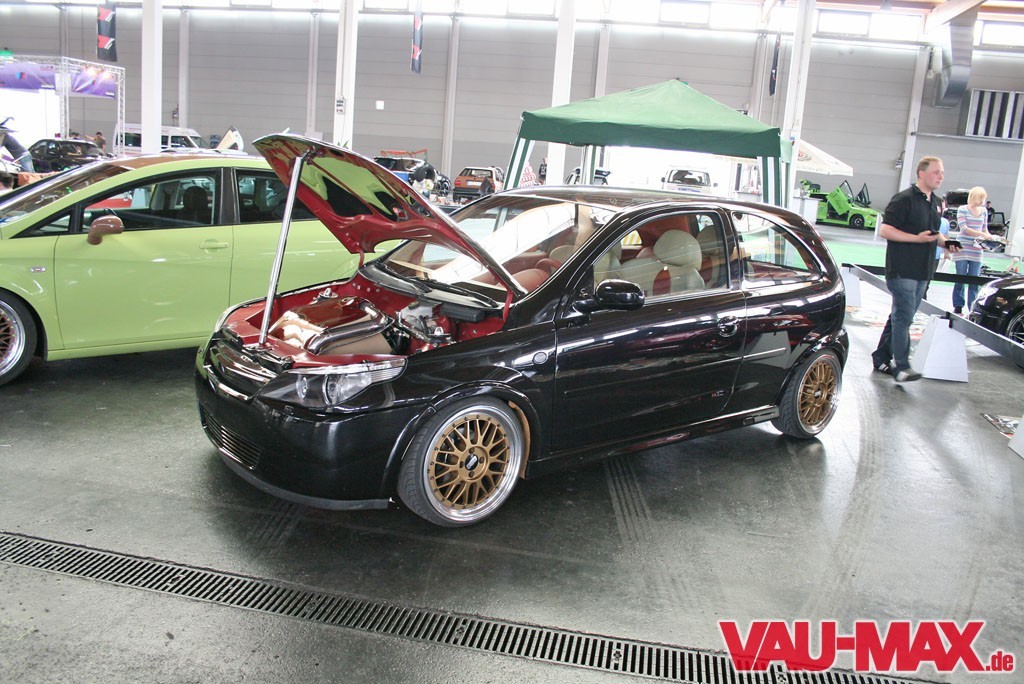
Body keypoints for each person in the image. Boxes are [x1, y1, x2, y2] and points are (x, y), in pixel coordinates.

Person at [870, 156, 959, 383]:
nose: (941, 176)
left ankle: (881, 357)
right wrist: (915, 239)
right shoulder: (904, 199)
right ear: (921, 173)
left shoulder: (936, 202)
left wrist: (947, 243)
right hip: (902, 269)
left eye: (942, 172)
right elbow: (886, 230)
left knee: (902, 314)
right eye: (936, 172)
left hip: (923, 270)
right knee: (903, 317)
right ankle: (902, 366)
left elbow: (934, 234)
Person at [951, 186, 998, 315]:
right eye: (981, 198)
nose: (983, 201)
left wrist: (991, 237)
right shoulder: (963, 209)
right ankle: (958, 305)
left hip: (977, 249)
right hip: (963, 247)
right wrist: (982, 235)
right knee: (960, 277)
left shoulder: (984, 211)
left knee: (974, 279)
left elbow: (985, 229)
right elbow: (964, 228)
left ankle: (972, 306)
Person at [923, 196, 951, 300]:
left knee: (928, 280)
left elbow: (946, 237)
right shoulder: (927, 219)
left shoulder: (945, 222)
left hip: (936, 256)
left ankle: (923, 298)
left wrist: (947, 252)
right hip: (924, 253)